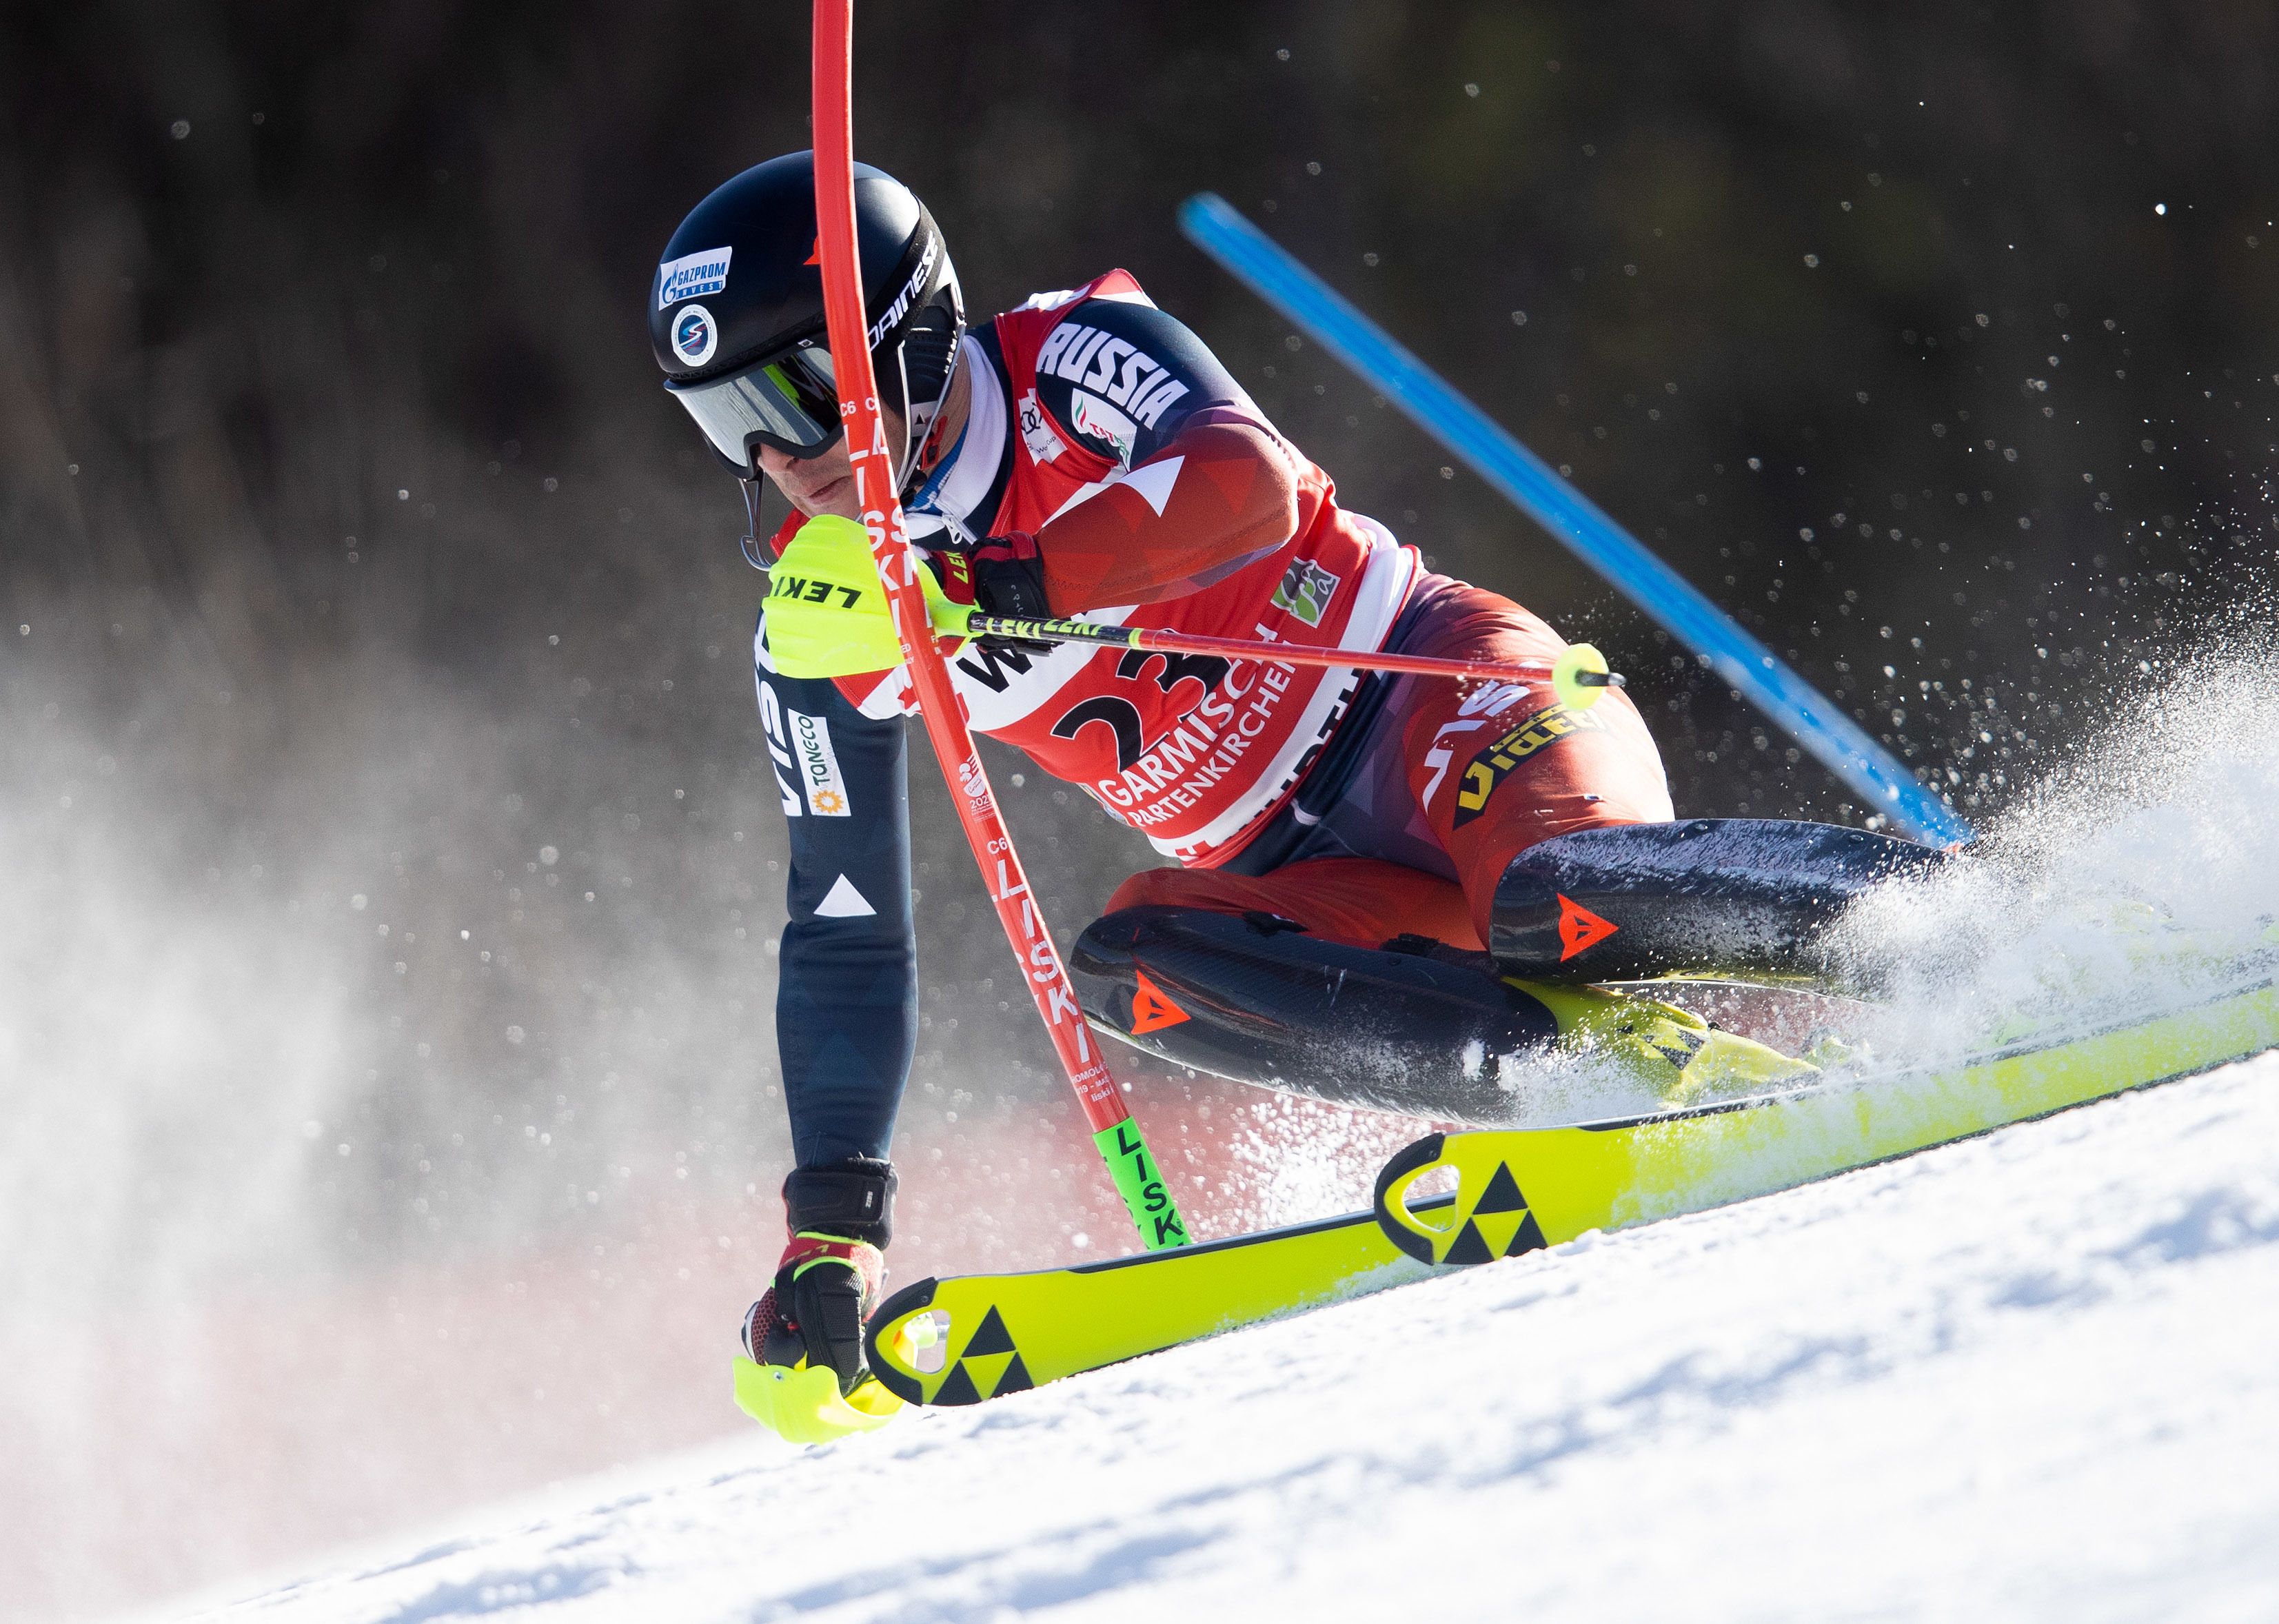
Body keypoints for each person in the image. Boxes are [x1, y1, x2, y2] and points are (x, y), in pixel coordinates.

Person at [648, 152, 1939, 1407]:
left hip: (1441, 698)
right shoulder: (821, 630)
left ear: (905, 337)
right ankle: (1605, 1085)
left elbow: (1244, 486)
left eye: (801, 392)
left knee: (1557, 897)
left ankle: (1956, 927)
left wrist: (983, 589)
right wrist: (830, 1226)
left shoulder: (1060, 363)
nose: (780, 455)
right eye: (730, 424)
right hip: (1304, 874)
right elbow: (843, 932)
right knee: (1131, 963)